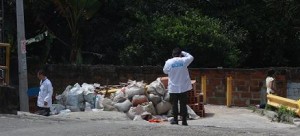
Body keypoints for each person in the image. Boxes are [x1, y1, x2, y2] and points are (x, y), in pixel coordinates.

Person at [163, 47, 194, 126]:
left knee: (174, 104)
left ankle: (175, 120)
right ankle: (184, 121)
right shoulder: (184, 60)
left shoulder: (169, 62)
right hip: (183, 87)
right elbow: (191, 57)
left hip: (173, 87)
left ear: (172, 54)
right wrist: (183, 52)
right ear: (180, 54)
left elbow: (165, 71)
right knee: (183, 104)